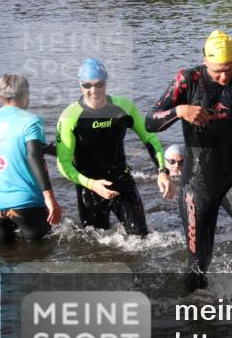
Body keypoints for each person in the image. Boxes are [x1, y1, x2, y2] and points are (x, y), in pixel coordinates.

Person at [146, 30, 232, 292]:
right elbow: (150, 121)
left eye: (228, 68)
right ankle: (193, 313)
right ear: (205, 62)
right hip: (197, 185)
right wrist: (179, 111)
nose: (224, 76)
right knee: (199, 261)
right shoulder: (188, 79)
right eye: (218, 70)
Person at [56, 59, 172, 236]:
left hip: (122, 181)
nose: (93, 91)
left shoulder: (123, 107)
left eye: (99, 85)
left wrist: (162, 171)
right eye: (87, 85)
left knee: (141, 237)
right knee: (95, 242)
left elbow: (150, 139)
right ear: (80, 85)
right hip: (90, 188)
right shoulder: (70, 116)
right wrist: (91, 184)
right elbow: (63, 163)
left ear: (106, 82)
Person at [0, 74, 62, 245]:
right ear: (26, 94)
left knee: (1, 259)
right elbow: (33, 156)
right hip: (26, 204)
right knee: (39, 257)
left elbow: (10, 148)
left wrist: (48, 148)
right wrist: (50, 199)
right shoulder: (31, 121)